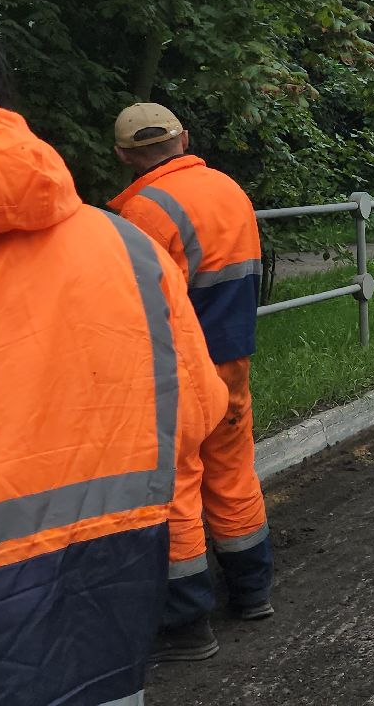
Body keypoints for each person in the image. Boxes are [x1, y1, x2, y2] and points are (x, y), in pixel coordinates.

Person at [0, 12, 225, 705]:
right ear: (11, 109)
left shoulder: (143, 222)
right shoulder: (129, 251)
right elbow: (196, 416)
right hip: (106, 597)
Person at [107, 103, 275, 660]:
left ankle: (187, 625)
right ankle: (252, 592)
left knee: (177, 485)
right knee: (232, 471)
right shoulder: (230, 190)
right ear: (184, 137)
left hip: (177, 370)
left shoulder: (140, 211)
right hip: (231, 364)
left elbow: (138, 305)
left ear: (124, 155)